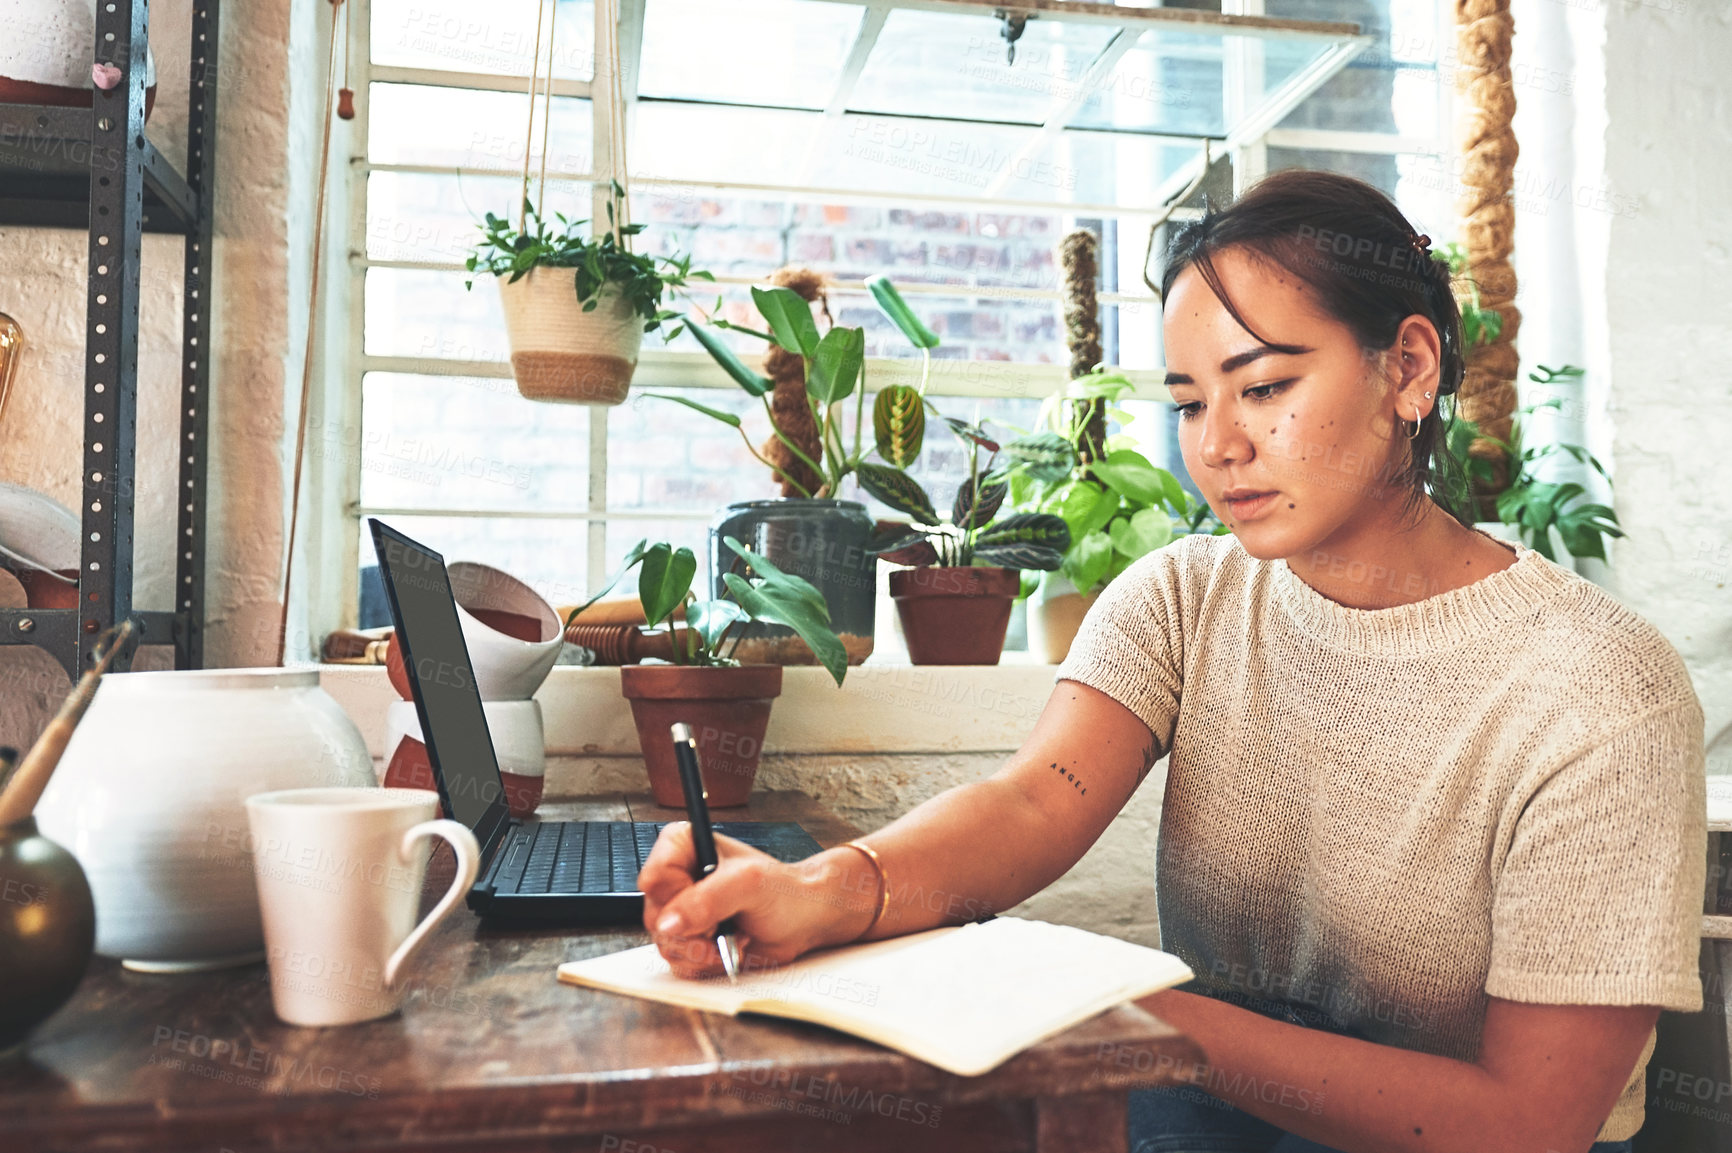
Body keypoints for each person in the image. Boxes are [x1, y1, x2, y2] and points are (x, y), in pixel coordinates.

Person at [635, 169, 1705, 1153]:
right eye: (1191, 402)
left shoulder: (1599, 688)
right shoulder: (1185, 596)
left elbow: (1527, 1122)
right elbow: (1032, 802)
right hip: (1213, 1102)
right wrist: (822, 889)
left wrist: (1123, 1006)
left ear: (1409, 368)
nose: (1217, 445)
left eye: (1266, 386)